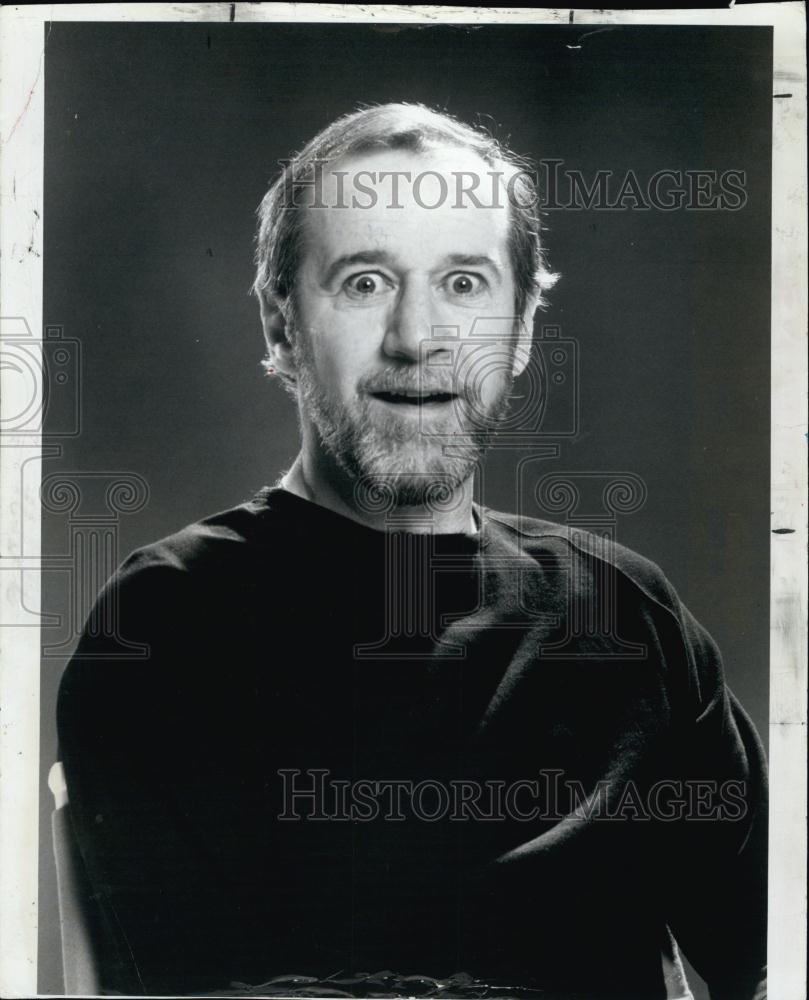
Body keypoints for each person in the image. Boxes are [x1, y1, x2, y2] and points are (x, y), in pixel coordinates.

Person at [57, 103, 767, 1000]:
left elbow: (771, 957)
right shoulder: (163, 623)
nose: (416, 337)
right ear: (281, 328)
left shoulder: (630, 617)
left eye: (464, 284)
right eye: (364, 282)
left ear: (522, 334)